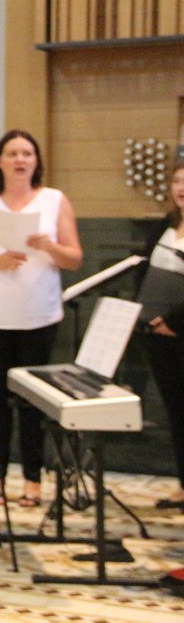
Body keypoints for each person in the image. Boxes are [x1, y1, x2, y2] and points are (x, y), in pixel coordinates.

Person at [0, 130, 81, 508]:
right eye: (12, 153)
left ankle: (32, 480)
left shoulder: (54, 200)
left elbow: (74, 258)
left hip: (39, 315)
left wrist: (49, 246)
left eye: (27, 153)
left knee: (32, 403)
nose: (20, 160)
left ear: (36, 161)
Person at [137, 159, 184, 509]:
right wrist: (149, 318)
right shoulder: (163, 226)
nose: (182, 188)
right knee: (176, 408)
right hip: (155, 332)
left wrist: (175, 322)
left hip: (180, 330)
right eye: (177, 181)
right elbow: (142, 271)